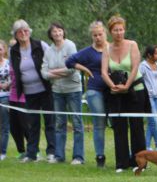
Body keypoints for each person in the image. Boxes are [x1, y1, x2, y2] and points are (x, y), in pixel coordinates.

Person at [101, 15, 146, 172]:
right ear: (110, 32)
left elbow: (134, 67)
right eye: (115, 30)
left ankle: (139, 162)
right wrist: (113, 86)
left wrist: (127, 85)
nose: (119, 33)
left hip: (134, 89)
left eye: (121, 29)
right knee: (119, 126)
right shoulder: (107, 48)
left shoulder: (132, 45)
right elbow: (104, 72)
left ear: (124, 30)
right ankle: (121, 163)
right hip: (116, 90)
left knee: (136, 126)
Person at [10, 19, 56, 163]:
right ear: (16, 35)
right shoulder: (14, 50)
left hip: (45, 90)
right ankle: (32, 153)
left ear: (29, 31)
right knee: (32, 124)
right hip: (28, 93)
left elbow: (52, 60)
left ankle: (52, 152)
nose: (23, 33)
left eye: (25, 30)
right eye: (19, 32)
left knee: (49, 121)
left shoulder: (40, 45)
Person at [66, 21, 109, 167]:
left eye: (100, 34)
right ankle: (100, 156)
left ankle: (123, 158)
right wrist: (84, 69)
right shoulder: (87, 52)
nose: (98, 37)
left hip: (112, 90)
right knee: (99, 123)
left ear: (105, 34)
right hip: (94, 90)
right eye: (95, 35)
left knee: (117, 122)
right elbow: (69, 62)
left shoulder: (112, 48)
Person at [41, 22, 84, 164]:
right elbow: (44, 72)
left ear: (63, 32)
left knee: (77, 123)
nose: (57, 33)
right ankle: (59, 156)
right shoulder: (49, 50)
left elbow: (72, 69)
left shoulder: (70, 46)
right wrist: (56, 73)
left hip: (73, 89)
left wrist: (53, 72)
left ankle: (78, 157)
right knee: (59, 123)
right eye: (54, 31)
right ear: (51, 34)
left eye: (59, 30)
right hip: (57, 91)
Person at [140, 45, 157, 151]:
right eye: (156, 53)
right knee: (154, 121)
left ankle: (147, 146)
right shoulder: (143, 66)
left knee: (151, 123)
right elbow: (140, 79)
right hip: (148, 97)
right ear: (149, 55)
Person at [8, 64, 27, 159]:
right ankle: (21, 151)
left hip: (24, 97)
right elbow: (12, 79)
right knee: (14, 127)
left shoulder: (25, 61)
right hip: (12, 97)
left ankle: (34, 151)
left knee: (25, 125)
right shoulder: (11, 63)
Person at [0, 40, 10, 160]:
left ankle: (2, 152)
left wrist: (8, 84)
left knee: (4, 126)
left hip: (6, 97)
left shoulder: (9, 63)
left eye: (0, 49)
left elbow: (14, 76)